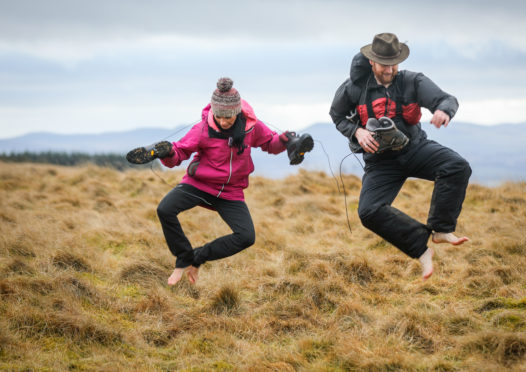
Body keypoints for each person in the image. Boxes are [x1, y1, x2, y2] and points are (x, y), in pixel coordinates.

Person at [126, 77, 313, 285]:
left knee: (246, 237)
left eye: (229, 117)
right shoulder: (202, 129)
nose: (223, 121)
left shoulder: (252, 127)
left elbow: (270, 143)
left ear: (237, 112)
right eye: (219, 116)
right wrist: (168, 152)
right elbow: (180, 153)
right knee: (165, 209)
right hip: (199, 184)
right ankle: (183, 256)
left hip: (231, 192)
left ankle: (198, 257)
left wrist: (287, 142)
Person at [330, 33, 472, 280]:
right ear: (372, 62)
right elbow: (337, 115)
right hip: (380, 161)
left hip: (415, 149)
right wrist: (357, 131)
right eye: (384, 64)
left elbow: (446, 99)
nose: (390, 69)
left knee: (457, 166)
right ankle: (421, 249)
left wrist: (443, 111)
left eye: (394, 63)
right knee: (368, 211)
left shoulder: (411, 80)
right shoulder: (353, 88)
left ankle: (441, 229)